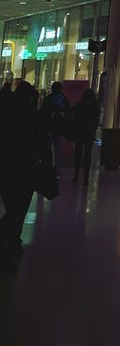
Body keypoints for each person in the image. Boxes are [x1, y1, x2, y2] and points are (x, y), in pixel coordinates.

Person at [0, 81, 48, 272]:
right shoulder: (29, 115)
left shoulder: (6, 112)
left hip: (6, 168)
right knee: (17, 210)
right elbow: (36, 143)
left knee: (9, 209)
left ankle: (8, 245)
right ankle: (10, 244)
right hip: (23, 169)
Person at [40, 81, 72, 176]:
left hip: (50, 128)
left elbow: (43, 113)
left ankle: (48, 168)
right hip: (60, 129)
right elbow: (68, 114)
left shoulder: (48, 99)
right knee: (58, 151)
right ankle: (57, 171)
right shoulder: (64, 100)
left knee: (48, 150)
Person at [71, 89, 100, 184]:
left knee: (78, 154)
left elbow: (74, 116)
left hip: (79, 132)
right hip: (89, 133)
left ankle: (76, 175)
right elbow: (97, 120)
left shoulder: (80, 105)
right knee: (88, 154)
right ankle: (86, 176)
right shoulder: (95, 106)